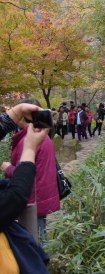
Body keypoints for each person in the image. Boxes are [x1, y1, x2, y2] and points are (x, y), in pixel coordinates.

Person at [2, 102, 60, 248]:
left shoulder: (26, 141)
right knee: (41, 233)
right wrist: (16, 110)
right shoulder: (42, 137)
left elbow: (26, 173)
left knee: (35, 239)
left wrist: (8, 168)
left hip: (32, 197)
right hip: (43, 194)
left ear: (23, 118)